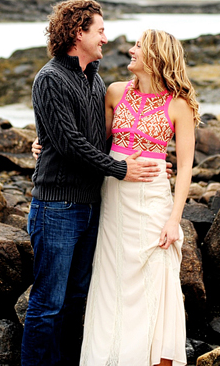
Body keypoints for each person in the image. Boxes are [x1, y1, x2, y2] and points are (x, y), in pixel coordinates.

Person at [22, 0, 163, 366]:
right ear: (77, 32)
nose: (105, 38)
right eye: (100, 30)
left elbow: (101, 138)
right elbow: (69, 143)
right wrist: (119, 170)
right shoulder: (50, 78)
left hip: (90, 205)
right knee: (47, 304)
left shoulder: (96, 80)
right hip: (56, 207)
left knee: (76, 300)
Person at [79, 29, 198, 366]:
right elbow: (93, 145)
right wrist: (45, 145)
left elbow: (186, 167)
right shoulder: (114, 92)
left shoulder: (180, 105)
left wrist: (174, 220)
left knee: (157, 277)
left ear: (156, 56)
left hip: (154, 202)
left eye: (138, 47)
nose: (130, 50)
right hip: (116, 200)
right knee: (113, 281)